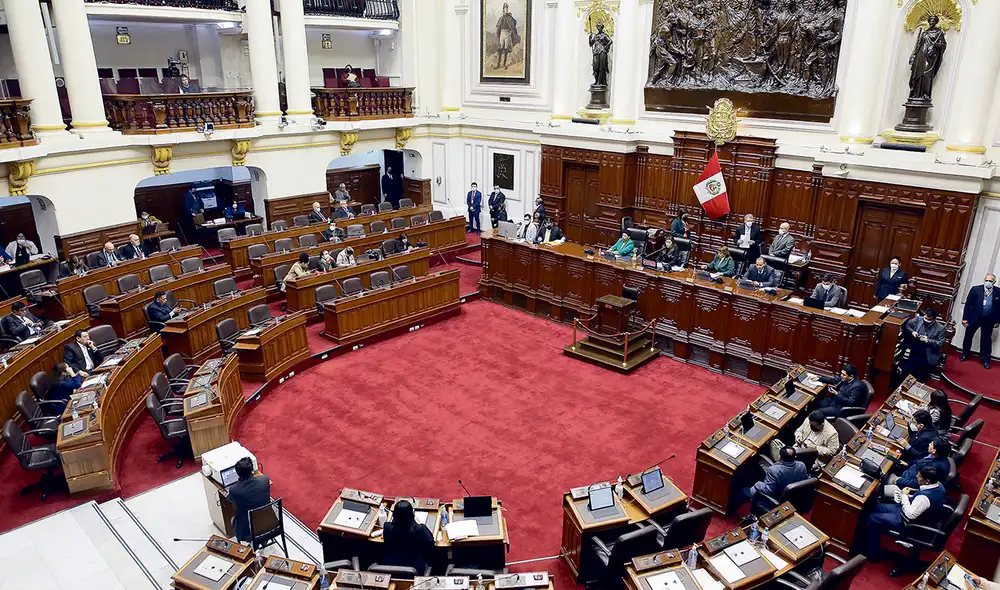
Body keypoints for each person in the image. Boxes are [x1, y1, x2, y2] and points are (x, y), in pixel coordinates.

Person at [863, 465, 945, 565]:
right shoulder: (939, 485)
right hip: (917, 513)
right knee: (875, 507)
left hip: (909, 523)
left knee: (873, 518)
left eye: (919, 477)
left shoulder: (924, 498)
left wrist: (905, 496)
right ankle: (871, 537)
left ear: (927, 481)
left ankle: (872, 554)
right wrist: (907, 496)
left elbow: (910, 514)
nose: (916, 477)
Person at [735, 446, 808, 516]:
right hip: (793, 498)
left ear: (779, 457)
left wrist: (758, 484)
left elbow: (768, 491)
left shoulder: (773, 470)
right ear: (795, 457)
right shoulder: (802, 465)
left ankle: (728, 511)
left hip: (776, 498)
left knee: (743, 491)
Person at [886, 436, 951, 497]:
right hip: (908, 472)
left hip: (908, 484)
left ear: (934, 451)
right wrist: (908, 464)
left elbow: (919, 482)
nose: (929, 444)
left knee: (885, 479)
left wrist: (899, 480)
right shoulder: (935, 455)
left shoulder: (936, 467)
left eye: (931, 444)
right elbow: (920, 461)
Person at [382, 500, 435, 574]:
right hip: (415, 569)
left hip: (390, 569)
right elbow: (432, 543)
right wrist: (416, 523)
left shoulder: (387, 527)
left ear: (394, 515)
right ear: (412, 514)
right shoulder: (419, 529)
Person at [227, 457, 271, 543]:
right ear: (252, 470)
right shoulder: (264, 480)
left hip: (247, 529)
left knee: (233, 519)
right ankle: (262, 541)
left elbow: (233, 504)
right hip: (269, 523)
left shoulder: (234, 490)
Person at [961, 273, 999, 369]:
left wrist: (998, 321)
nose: (988, 282)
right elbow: (968, 304)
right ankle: (965, 354)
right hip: (974, 317)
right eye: (986, 280)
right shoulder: (975, 289)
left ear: (994, 282)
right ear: (984, 280)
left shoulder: (998, 292)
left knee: (986, 340)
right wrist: (965, 318)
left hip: (989, 320)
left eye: (990, 281)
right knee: (968, 337)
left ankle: (985, 359)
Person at [901, 308, 944, 382]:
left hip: (927, 354)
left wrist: (928, 340)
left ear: (933, 319)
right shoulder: (918, 319)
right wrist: (912, 332)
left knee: (921, 376)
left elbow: (940, 343)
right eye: (925, 317)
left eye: (928, 319)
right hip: (914, 350)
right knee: (906, 371)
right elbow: (907, 325)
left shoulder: (940, 328)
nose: (925, 319)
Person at [493, 2, 520, 71]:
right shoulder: (501, 18)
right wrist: (498, 36)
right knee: (500, 48)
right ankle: (498, 65)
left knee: (506, 49)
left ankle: (504, 64)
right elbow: (498, 28)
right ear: (503, 10)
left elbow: (514, 23)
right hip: (502, 34)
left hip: (507, 34)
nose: (506, 11)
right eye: (505, 9)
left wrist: (511, 31)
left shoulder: (510, 17)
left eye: (507, 9)